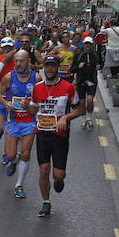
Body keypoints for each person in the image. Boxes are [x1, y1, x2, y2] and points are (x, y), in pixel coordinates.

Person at [30, 54, 84, 218]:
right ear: (44, 68)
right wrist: (28, 107)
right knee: (44, 169)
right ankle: (46, 203)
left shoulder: (68, 87)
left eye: (53, 66)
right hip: (42, 135)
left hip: (60, 136)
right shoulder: (37, 88)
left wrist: (66, 118)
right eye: (47, 66)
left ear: (57, 68)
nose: (50, 69)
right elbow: (33, 109)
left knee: (58, 175)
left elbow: (79, 110)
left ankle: (59, 179)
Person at [0, 50, 38, 198]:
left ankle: (19, 185)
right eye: (16, 61)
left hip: (29, 121)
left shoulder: (36, 78)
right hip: (12, 120)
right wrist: (6, 102)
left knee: (26, 154)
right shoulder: (8, 77)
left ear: (28, 62)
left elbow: (40, 101)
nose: (18, 64)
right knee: (10, 155)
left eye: (21, 61)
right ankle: (14, 161)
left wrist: (31, 105)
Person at [0, 37, 17, 143]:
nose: (7, 50)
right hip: (0, 97)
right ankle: (0, 132)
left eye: (9, 47)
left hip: (13, 98)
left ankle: (7, 154)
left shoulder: (18, 59)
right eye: (5, 48)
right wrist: (3, 61)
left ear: (13, 47)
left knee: (11, 130)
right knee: (0, 128)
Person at [75, 36, 100, 129]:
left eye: (89, 44)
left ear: (92, 45)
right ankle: (83, 120)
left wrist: (99, 66)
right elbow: (72, 68)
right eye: (86, 44)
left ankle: (89, 118)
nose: (87, 46)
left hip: (92, 81)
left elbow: (101, 63)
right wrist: (78, 67)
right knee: (81, 102)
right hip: (81, 82)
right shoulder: (79, 55)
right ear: (83, 44)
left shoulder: (95, 54)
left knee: (90, 100)